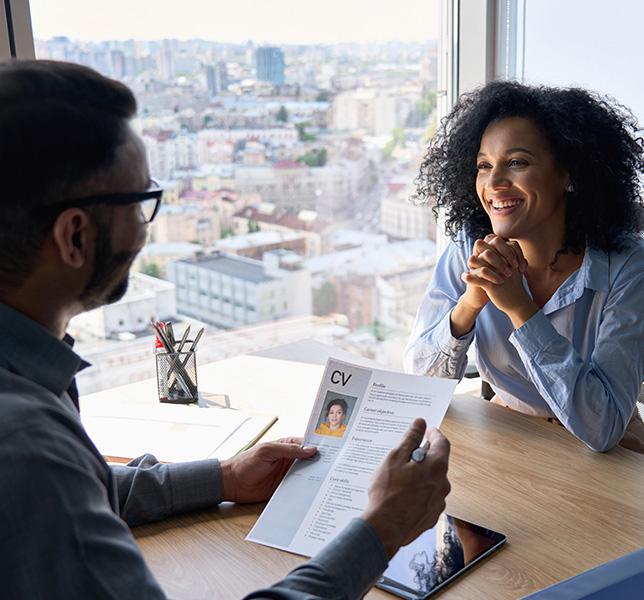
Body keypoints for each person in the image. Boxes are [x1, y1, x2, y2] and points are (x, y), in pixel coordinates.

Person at [0, 59, 451, 600]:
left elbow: (76, 496)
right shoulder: (25, 445)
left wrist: (225, 478)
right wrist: (384, 528)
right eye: (142, 204)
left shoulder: (28, 413)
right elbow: (48, 483)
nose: (147, 232)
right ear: (74, 236)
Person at [405, 80, 644, 456]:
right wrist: (469, 305)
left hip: (607, 451)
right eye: (483, 166)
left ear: (568, 173)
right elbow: (419, 382)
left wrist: (520, 309)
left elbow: (603, 426)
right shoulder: (470, 244)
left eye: (517, 163)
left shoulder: (626, 262)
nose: (493, 183)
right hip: (509, 432)